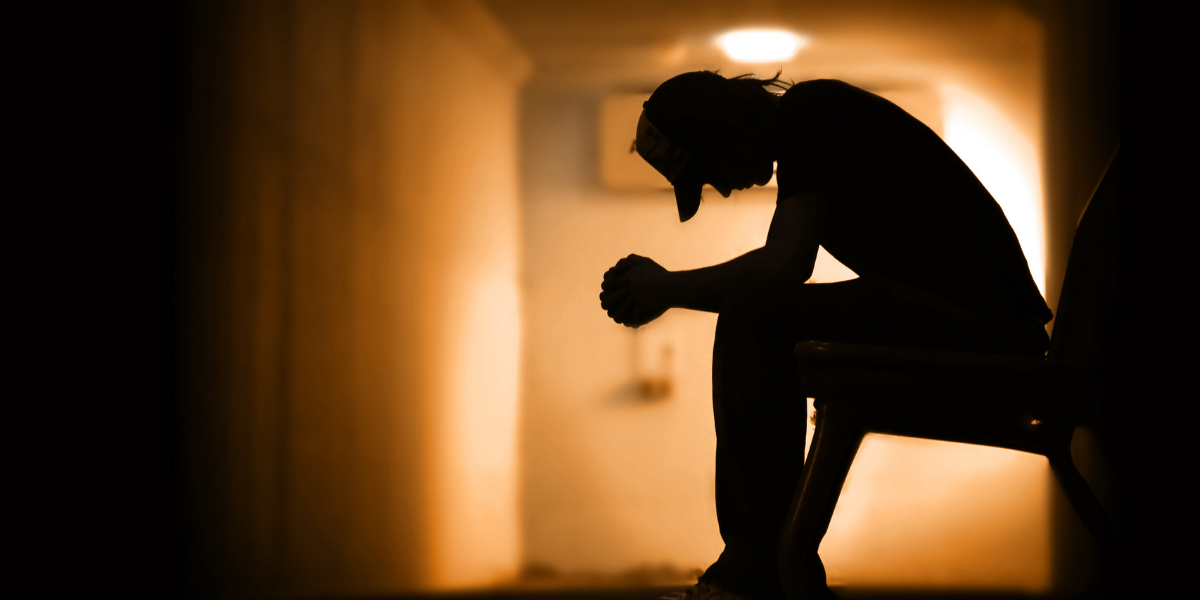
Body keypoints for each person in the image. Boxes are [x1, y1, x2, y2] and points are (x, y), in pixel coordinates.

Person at [598, 71, 1052, 600]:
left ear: (718, 128)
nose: (720, 187)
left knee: (757, 314)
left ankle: (755, 573)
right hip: (980, 322)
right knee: (763, 315)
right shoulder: (810, 122)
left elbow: (784, 267)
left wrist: (666, 288)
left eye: (705, 170)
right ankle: (772, 566)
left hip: (990, 331)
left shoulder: (812, 114)